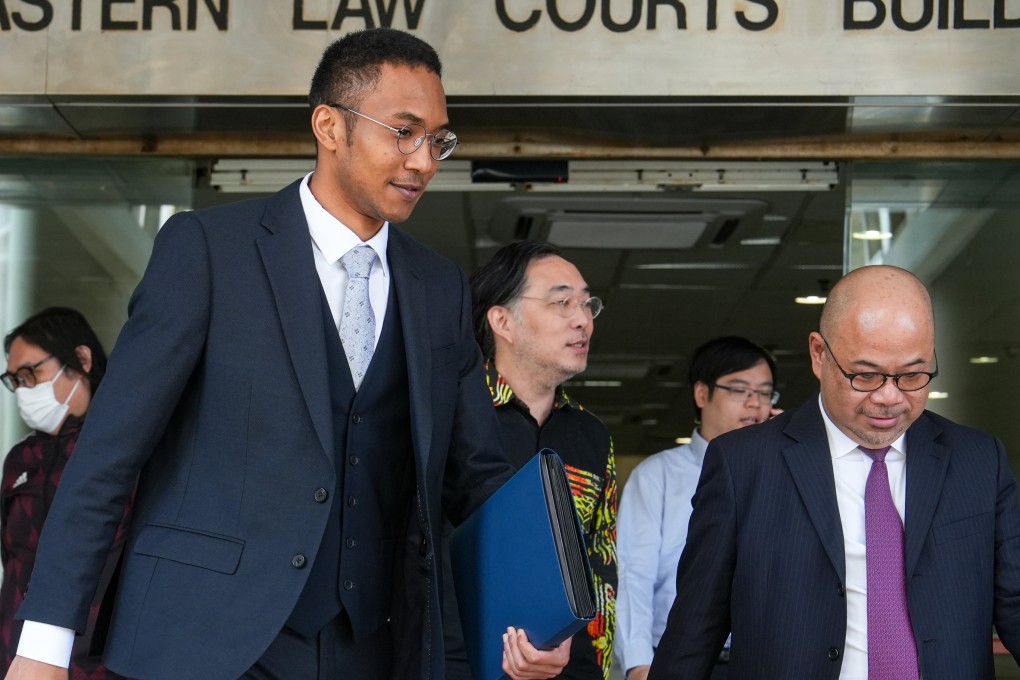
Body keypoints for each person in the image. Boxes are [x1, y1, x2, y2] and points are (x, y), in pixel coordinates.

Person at [5, 29, 569, 680]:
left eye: (437, 140)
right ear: (329, 126)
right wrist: (45, 643)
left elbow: (478, 477)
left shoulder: (437, 287)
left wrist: (527, 618)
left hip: (374, 647)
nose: (423, 161)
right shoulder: (208, 251)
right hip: (205, 640)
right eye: (404, 131)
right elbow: (109, 454)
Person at [647, 265, 1020, 680]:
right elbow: (695, 628)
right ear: (819, 354)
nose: (890, 397)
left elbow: (1016, 599)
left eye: (913, 375)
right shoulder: (744, 464)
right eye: (866, 375)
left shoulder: (977, 459)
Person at [443, 241, 617, 680]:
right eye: (561, 302)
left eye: (586, 303)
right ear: (502, 320)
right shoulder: (447, 416)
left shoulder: (591, 435)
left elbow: (601, 569)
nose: (583, 320)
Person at [616, 336, 778, 680]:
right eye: (739, 390)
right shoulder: (656, 475)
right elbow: (634, 576)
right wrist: (638, 663)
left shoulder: (783, 472)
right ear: (702, 394)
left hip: (767, 660)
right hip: (682, 660)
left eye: (764, 393)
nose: (754, 404)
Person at [0, 308, 131, 679]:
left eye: (31, 374)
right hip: (17, 655)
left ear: (82, 360)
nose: (24, 391)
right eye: (14, 381)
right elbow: (12, 560)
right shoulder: (21, 460)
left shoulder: (121, 454)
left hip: (98, 660)